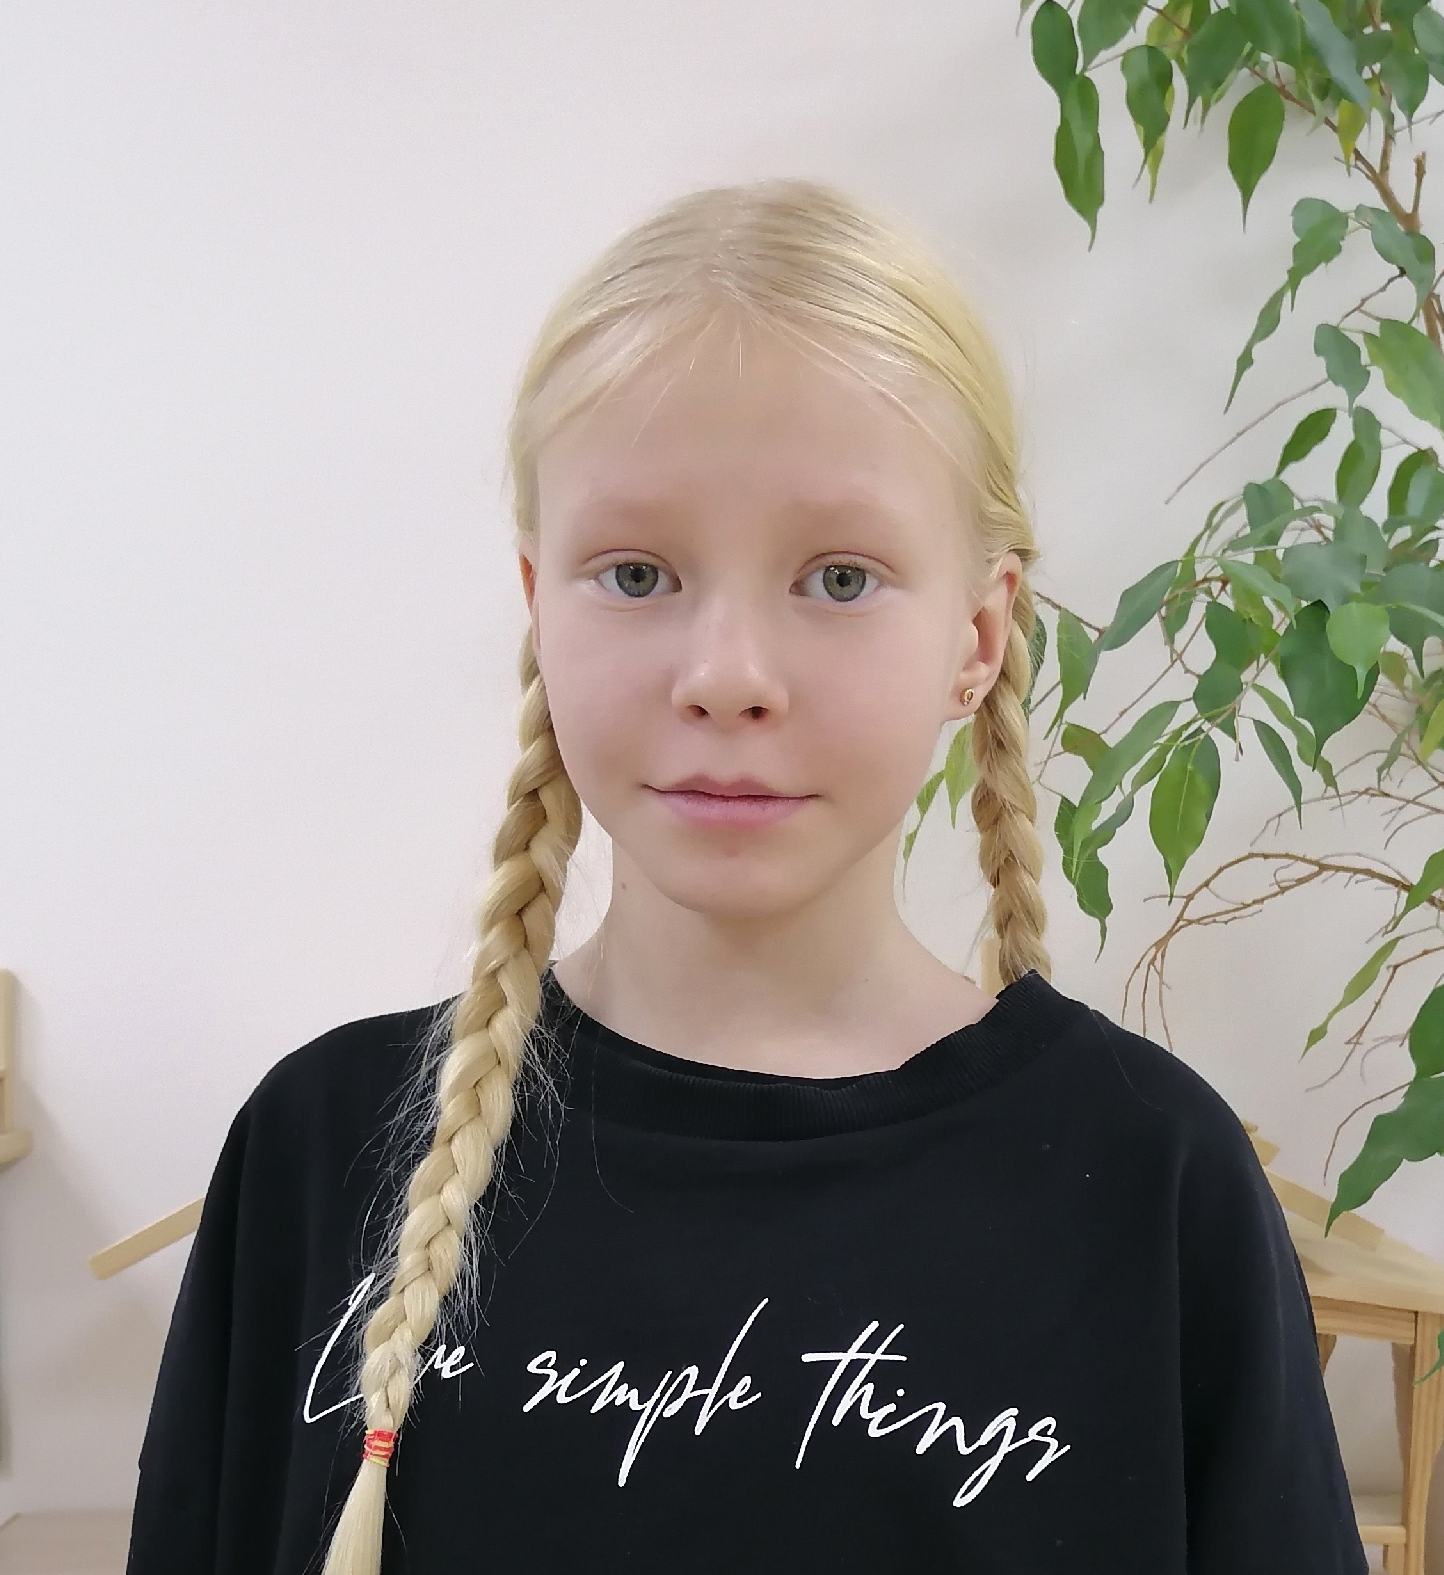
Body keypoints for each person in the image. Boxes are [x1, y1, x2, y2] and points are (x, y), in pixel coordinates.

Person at [125, 178, 1369, 1575]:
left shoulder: (1156, 1185)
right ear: (538, 605)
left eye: (838, 578)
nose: (725, 676)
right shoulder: (321, 1151)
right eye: (637, 575)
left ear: (977, 638)